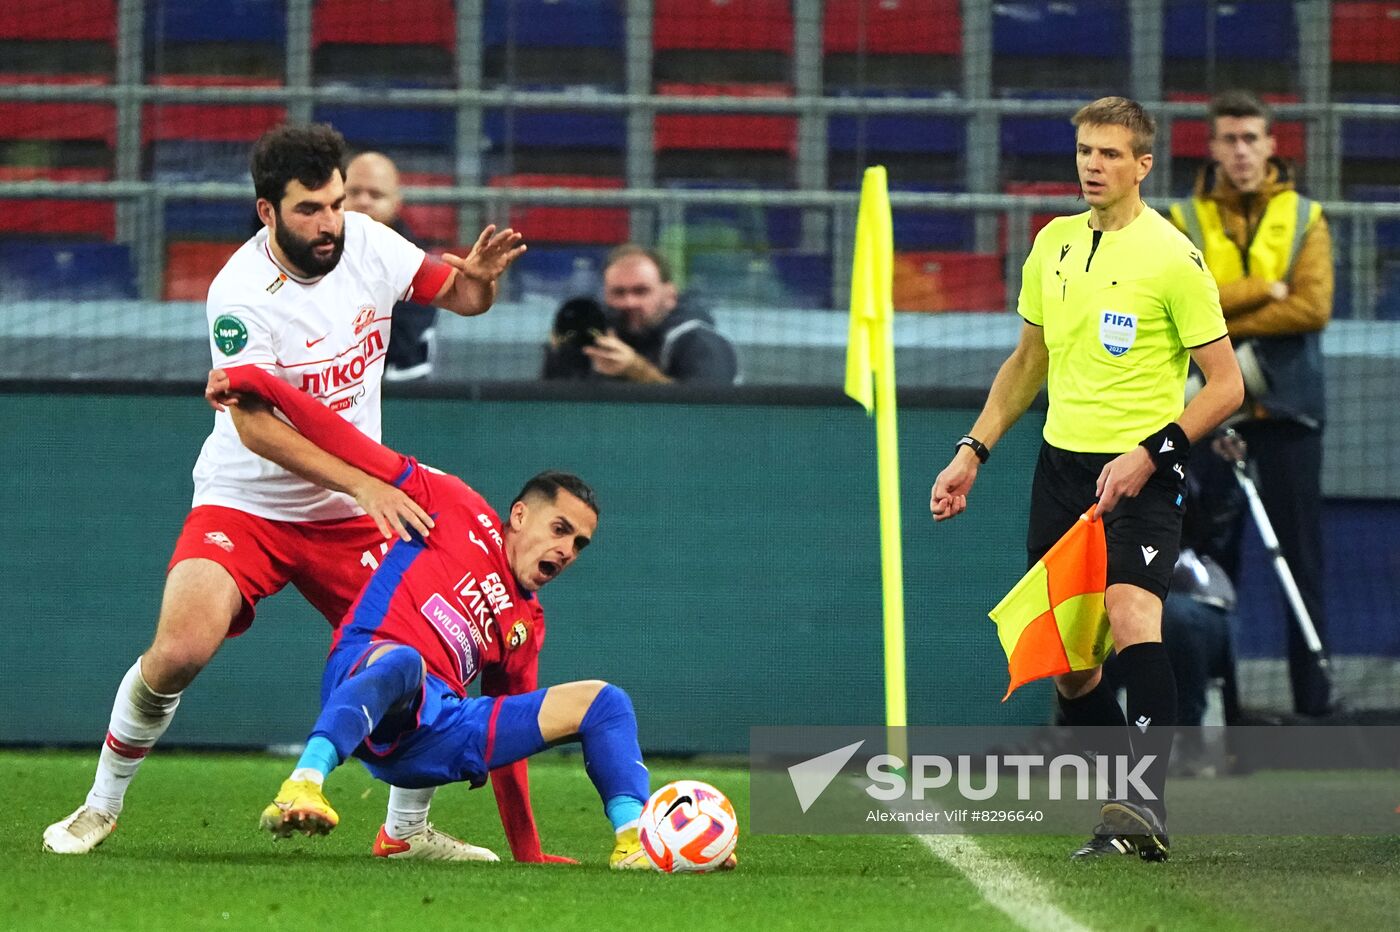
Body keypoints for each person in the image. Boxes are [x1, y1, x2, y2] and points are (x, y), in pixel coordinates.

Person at [43, 123, 526, 860]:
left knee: (434, 658)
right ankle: (99, 807)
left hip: (356, 509)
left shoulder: (367, 241)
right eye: (310, 210)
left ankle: (406, 833)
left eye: (334, 204)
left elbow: (461, 295)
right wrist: (365, 482)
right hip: (250, 502)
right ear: (267, 211)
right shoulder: (240, 293)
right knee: (179, 650)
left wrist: (482, 280)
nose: (329, 223)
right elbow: (257, 430)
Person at [929, 97, 1244, 862]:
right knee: (1071, 670)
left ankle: (1144, 806)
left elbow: (1227, 386)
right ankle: (1123, 802)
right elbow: (1027, 363)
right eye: (1083, 152)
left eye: (1109, 154)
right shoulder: (1053, 244)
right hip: (1060, 473)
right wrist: (973, 450)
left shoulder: (1174, 258)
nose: (1092, 166)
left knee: (1134, 615)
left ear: (1142, 165)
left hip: (1143, 473)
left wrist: (1150, 452)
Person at [205, 363, 653, 869]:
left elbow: (511, 741)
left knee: (606, 703)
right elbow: (347, 442)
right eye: (560, 529)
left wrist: (528, 856)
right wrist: (261, 383)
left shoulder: (526, 624)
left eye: (579, 544)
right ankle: (303, 784)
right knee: (405, 663)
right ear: (521, 515)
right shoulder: (454, 504)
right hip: (372, 675)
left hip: (437, 736)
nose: (567, 550)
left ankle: (636, 841)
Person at [1167, 90, 1334, 717]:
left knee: (1302, 562)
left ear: (1271, 145)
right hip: (1209, 413)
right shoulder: (1181, 220)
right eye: (1229, 139)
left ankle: (1314, 713)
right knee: (1208, 567)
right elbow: (1185, 301)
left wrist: (1223, 305)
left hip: (1291, 414)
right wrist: (1264, 288)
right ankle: (1222, 717)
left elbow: (1314, 307)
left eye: (1251, 139)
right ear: (1212, 147)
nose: (1240, 151)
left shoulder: (1307, 216)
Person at [547, 244, 738, 384]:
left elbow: (708, 416)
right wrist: (561, 354)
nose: (629, 302)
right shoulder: (598, 334)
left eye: (641, 291)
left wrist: (637, 371)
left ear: (670, 296)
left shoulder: (699, 342)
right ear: (605, 295)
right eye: (618, 292)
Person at [344, 151, 440, 382]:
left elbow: (400, 341)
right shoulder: (310, 252)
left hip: (397, 395)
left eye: (375, 195)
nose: (363, 201)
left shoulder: (417, 262)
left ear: (396, 203)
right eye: (354, 192)